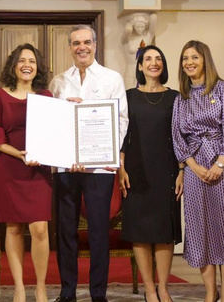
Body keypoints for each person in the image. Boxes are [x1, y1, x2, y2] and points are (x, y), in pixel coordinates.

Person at [171, 40, 224, 302]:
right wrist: (194, 167)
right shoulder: (180, 98)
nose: (189, 62)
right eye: (185, 58)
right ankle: (210, 293)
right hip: (195, 169)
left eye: (194, 57)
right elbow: (177, 136)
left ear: (205, 59)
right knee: (200, 231)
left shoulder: (223, 89)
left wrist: (219, 164)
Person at [49, 25, 128, 302]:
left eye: (86, 42)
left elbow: (121, 120)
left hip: (98, 168)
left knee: (98, 232)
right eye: (75, 43)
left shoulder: (112, 78)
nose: (81, 47)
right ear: (69, 47)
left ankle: (98, 294)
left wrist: (107, 154)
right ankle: (67, 292)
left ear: (95, 44)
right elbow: (53, 123)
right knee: (66, 232)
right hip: (65, 167)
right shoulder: (58, 82)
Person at [0, 43, 52, 302]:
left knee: (40, 229)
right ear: (13, 65)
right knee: (12, 228)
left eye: (32, 61)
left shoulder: (46, 95)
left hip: (39, 169)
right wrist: (20, 154)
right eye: (22, 60)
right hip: (9, 167)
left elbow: (54, 132)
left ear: (37, 68)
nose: (27, 65)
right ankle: (20, 287)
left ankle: (41, 286)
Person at [118, 45, 182, 302]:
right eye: (148, 59)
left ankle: (164, 287)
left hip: (167, 170)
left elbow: (181, 137)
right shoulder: (128, 96)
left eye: (158, 59)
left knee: (164, 231)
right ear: (140, 66)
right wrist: (121, 168)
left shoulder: (176, 97)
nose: (154, 63)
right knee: (140, 231)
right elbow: (122, 135)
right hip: (135, 171)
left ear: (163, 66)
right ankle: (149, 288)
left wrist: (182, 171)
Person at [121, 13, 156, 85]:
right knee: (129, 91)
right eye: (138, 27)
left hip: (145, 68)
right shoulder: (129, 38)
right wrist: (130, 22)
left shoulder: (147, 37)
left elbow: (154, 18)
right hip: (131, 68)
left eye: (142, 26)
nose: (140, 29)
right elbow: (127, 30)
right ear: (134, 26)